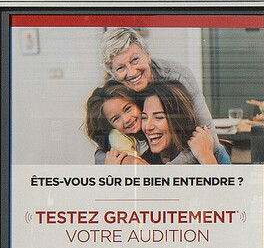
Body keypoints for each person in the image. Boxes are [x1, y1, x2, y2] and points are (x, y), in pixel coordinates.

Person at [102, 27, 231, 164]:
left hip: (205, 160)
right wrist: (126, 160)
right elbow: (100, 145)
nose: (132, 72)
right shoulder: (115, 92)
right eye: (121, 68)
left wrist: (159, 175)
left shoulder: (178, 76)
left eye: (134, 60)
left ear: (148, 56)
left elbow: (207, 140)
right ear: (113, 74)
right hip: (160, 163)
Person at [138, 81, 208, 166]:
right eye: (144, 118)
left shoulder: (212, 152)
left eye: (158, 117)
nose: (148, 127)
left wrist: (207, 158)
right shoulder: (141, 162)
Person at [83, 83, 148, 166]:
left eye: (128, 109)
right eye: (116, 119)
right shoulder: (117, 138)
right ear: (109, 125)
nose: (126, 119)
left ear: (136, 103)